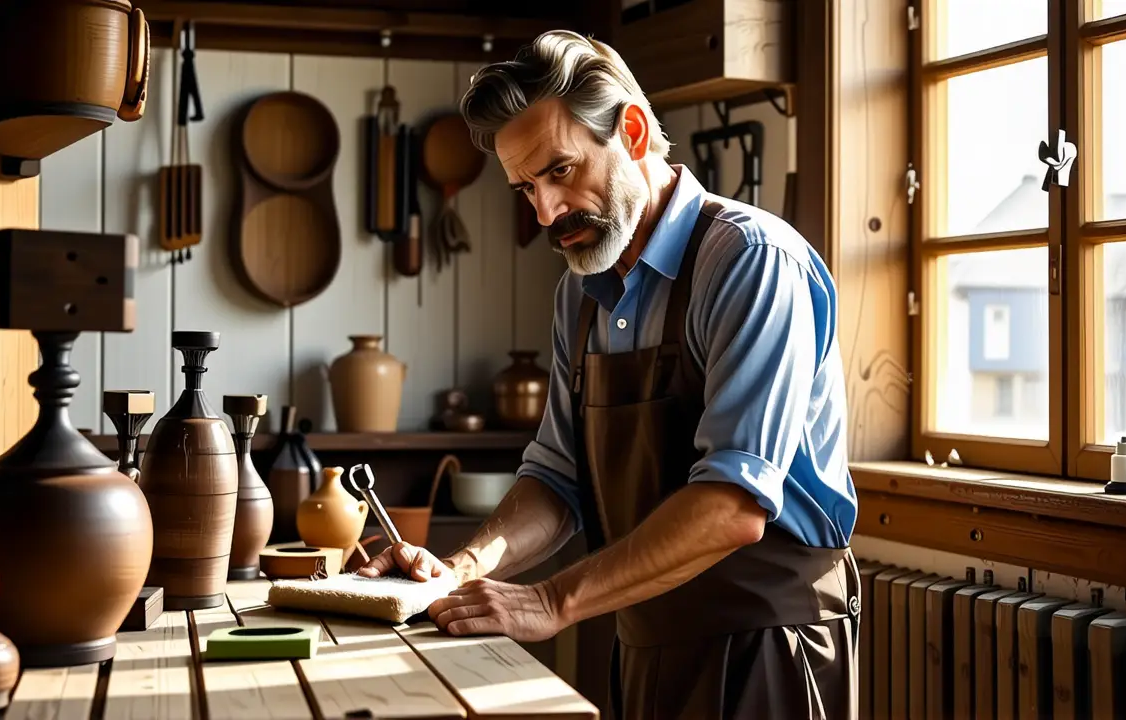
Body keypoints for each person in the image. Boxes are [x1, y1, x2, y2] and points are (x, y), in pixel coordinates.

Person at [360, 28, 860, 719]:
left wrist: (550, 600)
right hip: (644, 641)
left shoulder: (751, 261)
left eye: (560, 171)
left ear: (631, 131)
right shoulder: (580, 293)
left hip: (766, 644)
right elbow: (558, 479)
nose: (545, 211)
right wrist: (460, 569)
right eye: (526, 188)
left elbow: (733, 506)